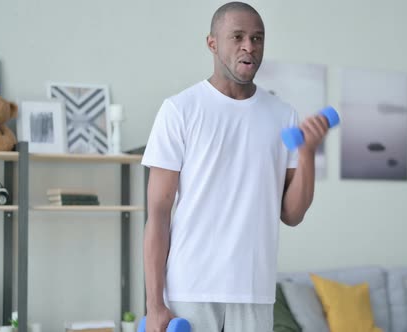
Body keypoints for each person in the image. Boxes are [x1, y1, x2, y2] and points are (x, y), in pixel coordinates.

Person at [141, 2, 329, 331]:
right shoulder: (180, 110)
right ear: (212, 43)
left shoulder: (282, 115)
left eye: (258, 38)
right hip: (190, 290)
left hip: (254, 293)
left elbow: (292, 214)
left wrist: (308, 153)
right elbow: (158, 212)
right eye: (238, 36)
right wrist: (154, 303)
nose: (249, 47)